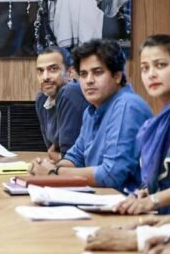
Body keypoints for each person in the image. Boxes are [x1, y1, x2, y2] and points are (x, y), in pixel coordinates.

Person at [30, 39, 153, 192]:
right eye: (83, 74)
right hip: (102, 197)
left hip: (128, 201)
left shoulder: (127, 106)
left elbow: (111, 174)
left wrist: (54, 172)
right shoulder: (92, 111)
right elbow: (75, 158)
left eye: (97, 72)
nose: (89, 81)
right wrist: (45, 167)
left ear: (117, 76)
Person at [114, 35, 170, 215]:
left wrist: (152, 201)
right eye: (145, 68)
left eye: (161, 65)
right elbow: (157, 182)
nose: (151, 74)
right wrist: (143, 193)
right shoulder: (151, 125)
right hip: (160, 218)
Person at [34, 46, 89, 161]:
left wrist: (58, 156)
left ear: (70, 73)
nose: (45, 77)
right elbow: (51, 150)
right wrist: (57, 156)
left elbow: (68, 158)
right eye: (40, 71)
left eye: (53, 69)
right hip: (65, 167)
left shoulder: (71, 92)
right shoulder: (42, 100)